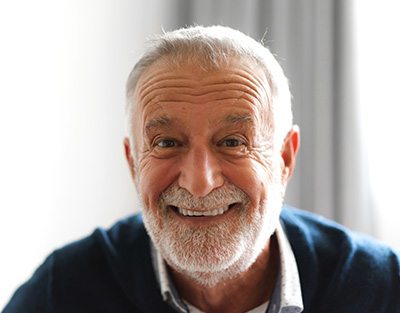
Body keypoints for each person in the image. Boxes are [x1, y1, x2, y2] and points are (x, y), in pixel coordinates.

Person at [3, 25, 400, 313]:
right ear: (132, 162)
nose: (198, 183)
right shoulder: (64, 291)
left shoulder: (379, 286)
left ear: (284, 159)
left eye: (232, 142)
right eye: (166, 143)